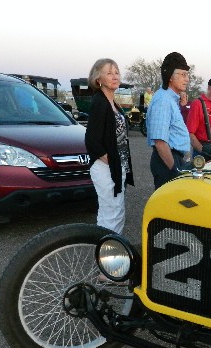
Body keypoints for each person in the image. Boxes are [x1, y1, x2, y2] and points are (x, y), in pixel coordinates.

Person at [84, 58, 134, 235]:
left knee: (117, 212)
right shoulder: (99, 103)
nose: (115, 76)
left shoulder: (113, 103)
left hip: (116, 166)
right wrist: (111, 161)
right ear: (98, 79)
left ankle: (112, 250)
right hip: (105, 167)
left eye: (117, 72)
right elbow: (92, 141)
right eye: (109, 73)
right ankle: (106, 251)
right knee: (111, 213)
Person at [146, 52, 192, 189]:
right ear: (170, 76)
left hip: (174, 159)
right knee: (169, 207)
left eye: (187, 75)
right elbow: (160, 142)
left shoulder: (171, 99)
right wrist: (174, 170)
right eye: (183, 74)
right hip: (167, 162)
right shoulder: (163, 101)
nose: (187, 79)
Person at [186, 75, 211, 158]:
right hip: (204, 151)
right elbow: (190, 133)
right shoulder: (198, 104)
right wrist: (202, 150)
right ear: (209, 88)